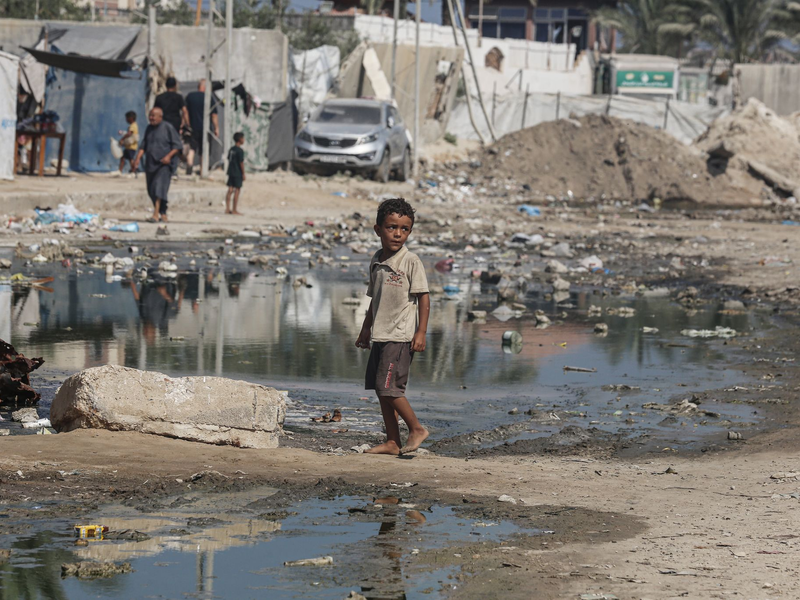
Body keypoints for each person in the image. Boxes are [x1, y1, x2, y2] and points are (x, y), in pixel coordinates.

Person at [355, 198, 430, 455]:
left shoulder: (410, 261)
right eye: (391, 227)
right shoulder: (376, 260)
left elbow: (423, 297)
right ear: (378, 229)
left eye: (404, 229)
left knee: (390, 388)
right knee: (380, 388)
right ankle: (392, 441)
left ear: (410, 231)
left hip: (400, 336)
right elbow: (374, 299)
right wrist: (366, 329)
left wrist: (421, 332)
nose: (398, 234)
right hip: (380, 334)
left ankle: (416, 428)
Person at [132, 107, 182, 223]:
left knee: (159, 188)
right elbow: (143, 146)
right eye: (150, 115)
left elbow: (177, 146)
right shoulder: (149, 128)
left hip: (164, 165)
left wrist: (168, 156)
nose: (151, 118)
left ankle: (156, 214)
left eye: (154, 116)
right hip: (150, 164)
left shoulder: (167, 128)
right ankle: (163, 212)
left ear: (160, 116)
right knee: (151, 190)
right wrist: (137, 159)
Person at [184, 79, 219, 175]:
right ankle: (203, 169)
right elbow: (214, 115)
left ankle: (189, 163)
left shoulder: (190, 96)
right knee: (204, 149)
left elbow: (185, 111)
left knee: (192, 148)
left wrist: (186, 123)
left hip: (193, 127)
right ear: (205, 87)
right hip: (206, 128)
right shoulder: (209, 97)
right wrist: (216, 128)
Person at [225, 132, 245, 215]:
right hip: (237, 173)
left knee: (230, 189)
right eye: (243, 138)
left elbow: (229, 158)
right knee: (237, 190)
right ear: (240, 139)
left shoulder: (231, 149)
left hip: (230, 171)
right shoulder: (240, 151)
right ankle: (234, 210)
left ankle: (227, 209)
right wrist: (243, 173)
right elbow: (241, 163)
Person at [118, 111, 139, 175]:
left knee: (130, 159)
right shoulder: (133, 125)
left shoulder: (133, 125)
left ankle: (134, 170)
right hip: (128, 146)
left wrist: (122, 139)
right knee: (123, 157)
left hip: (131, 147)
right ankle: (120, 171)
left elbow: (129, 134)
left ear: (131, 118)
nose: (126, 119)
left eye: (127, 118)